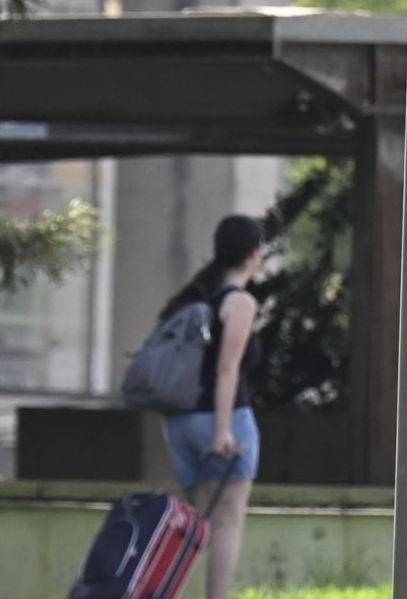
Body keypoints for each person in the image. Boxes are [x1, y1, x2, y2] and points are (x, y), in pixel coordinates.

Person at [159, 215, 267, 599]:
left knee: (203, 526)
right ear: (254, 254)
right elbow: (227, 369)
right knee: (227, 524)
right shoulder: (239, 302)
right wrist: (224, 430)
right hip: (222, 421)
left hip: (181, 424)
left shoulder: (196, 300)